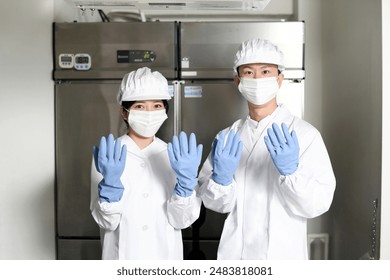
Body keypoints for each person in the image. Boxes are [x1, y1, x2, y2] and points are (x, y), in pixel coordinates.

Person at [198, 38, 336, 260]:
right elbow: (215, 204)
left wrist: (291, 173)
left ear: (279, 79)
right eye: (249, 73)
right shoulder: (226, 138)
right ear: (238, 80)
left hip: (282, 258)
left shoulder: (305, 135)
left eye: (265, 72)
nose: (257, 79)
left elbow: (317, 204)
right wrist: (221, 180)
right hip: (236, 257)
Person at [90, 67, 203, 260]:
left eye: (157, 106)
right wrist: (109, 189)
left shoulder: (176, 155)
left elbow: (181, 221)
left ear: (165, 111)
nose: (149, 113)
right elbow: (106, 222)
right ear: (124, 112)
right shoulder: (109, 156)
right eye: (140, 106)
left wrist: (185, 187)